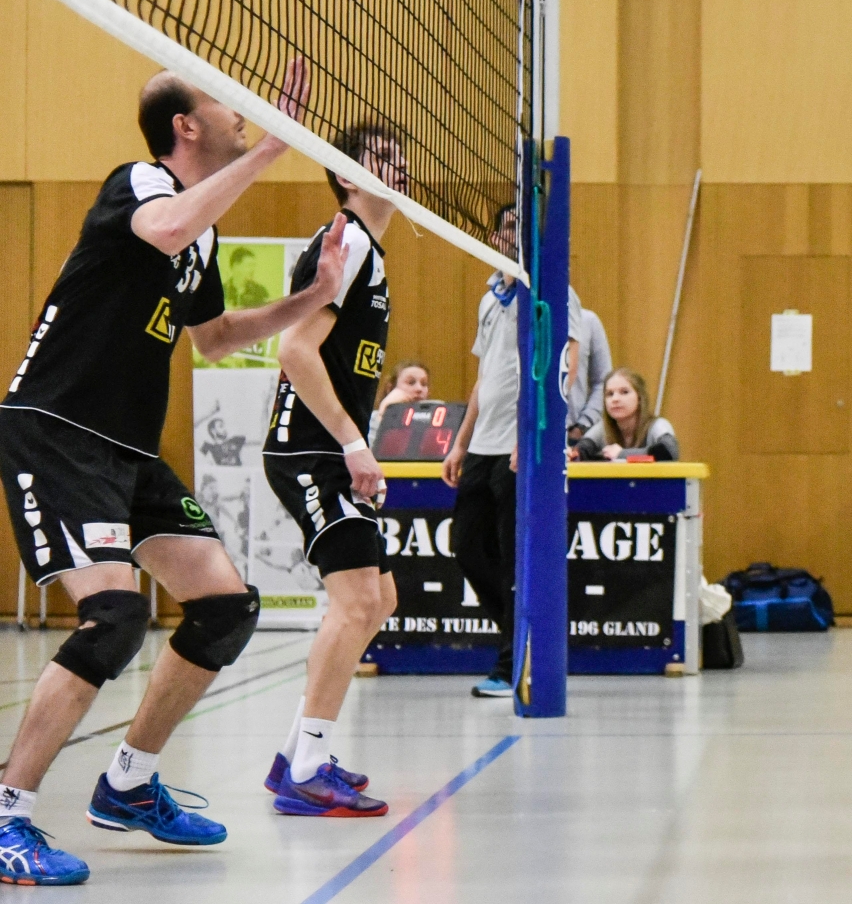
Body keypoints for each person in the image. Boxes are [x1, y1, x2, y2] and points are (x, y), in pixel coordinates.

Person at [0, 61, 350, 884]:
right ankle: (9, 813)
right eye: (226, 104)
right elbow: (160, 229)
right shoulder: (141, 184)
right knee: (115, 616)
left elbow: (219, 336)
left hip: (125, 447)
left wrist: (315, 296)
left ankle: (126, 782)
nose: (242, 113)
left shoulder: (204, 231)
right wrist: (267, 151)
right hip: (57, 429)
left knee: (226, 606)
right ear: (186, 124)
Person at [258, 123, 411, 818]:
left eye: (401, 157)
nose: (399, 166)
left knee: (379, 601)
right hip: (311, 450)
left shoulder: (369, 252)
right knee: (356, 603)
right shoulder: (345, 241)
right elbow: (295, 349)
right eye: (383, 158)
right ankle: (309, 766)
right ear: (347, 175)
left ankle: (298, 753)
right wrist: (354, 443)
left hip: (331, 447)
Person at [441, 203, 581, 699]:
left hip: (521, 447)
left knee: (511, 561)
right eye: (506, 227)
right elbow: (484, 379)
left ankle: (510, 664)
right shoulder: (490, 298)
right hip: (482, 446)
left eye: (521, 228)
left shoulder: (554, 295)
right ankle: (522, 640)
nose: (511, 235)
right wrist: (460, 440)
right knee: (466, 546)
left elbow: (567, 367)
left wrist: (535, 436)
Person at [571, 368, 678, 463]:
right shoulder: (602, 428)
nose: (615, 399)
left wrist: (622, 454)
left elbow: (669, 452)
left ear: (640, 398)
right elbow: (580, 452)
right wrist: (573, 455)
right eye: (610, 394)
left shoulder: (657, 425)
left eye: (624, 392)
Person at [566, 305, 612, 439]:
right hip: (518, 433)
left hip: (572, 432)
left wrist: (583, 425)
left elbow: (603, 381)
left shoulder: (587, 321)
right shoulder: (520, 318)